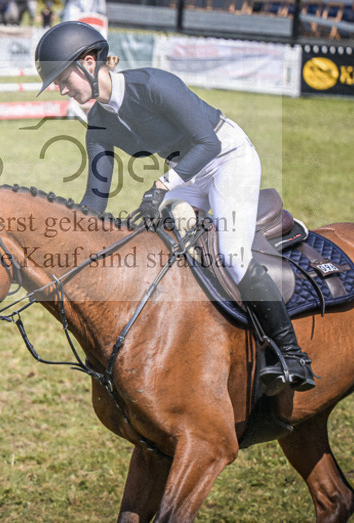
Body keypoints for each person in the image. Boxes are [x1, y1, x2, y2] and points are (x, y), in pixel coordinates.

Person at [33, 21, 315, 395]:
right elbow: (95, 199)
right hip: (188, 173)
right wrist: (65, 234)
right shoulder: (98, 122)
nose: (60, 88)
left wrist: (164, 184)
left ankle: (290, 353)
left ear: (88, 62)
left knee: (231, 255)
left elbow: (208, 144)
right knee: (155, 245)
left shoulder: (153, 84)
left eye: (62, 77)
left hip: (227, 157)